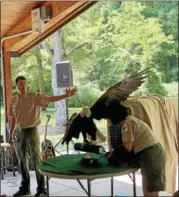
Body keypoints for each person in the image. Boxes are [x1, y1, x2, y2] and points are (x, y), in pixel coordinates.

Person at [8, 76, 77, 197]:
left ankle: (41, 189)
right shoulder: (13, 100)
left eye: (24, 83)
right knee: (22, 161)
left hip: (31, 131)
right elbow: (13, 118)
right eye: (20, 84)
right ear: (16, 86)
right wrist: (11, 134)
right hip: (18, 133)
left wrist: (66, 96)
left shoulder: (33, 97)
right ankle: (25, 188)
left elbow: (50, 98)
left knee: (36, 160)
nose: (23, 86)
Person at [107, 103, 166, 197]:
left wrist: (113, 155)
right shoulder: (130, 120)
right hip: (151, 153)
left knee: (150, 189)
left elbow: (127, 147)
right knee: (149, 187)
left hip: (150, 154)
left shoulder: (127, 123)